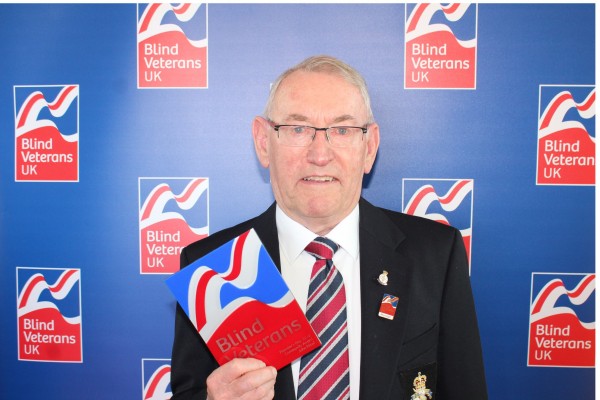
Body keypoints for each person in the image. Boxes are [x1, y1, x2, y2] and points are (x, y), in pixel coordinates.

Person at [170, 55, 487, 400]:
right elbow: (189, 391)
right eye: (297, 129)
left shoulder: (435, 255)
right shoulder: (213, 266)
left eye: (342, 130)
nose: (320, 155)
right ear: (264, 142)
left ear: (370, 147)